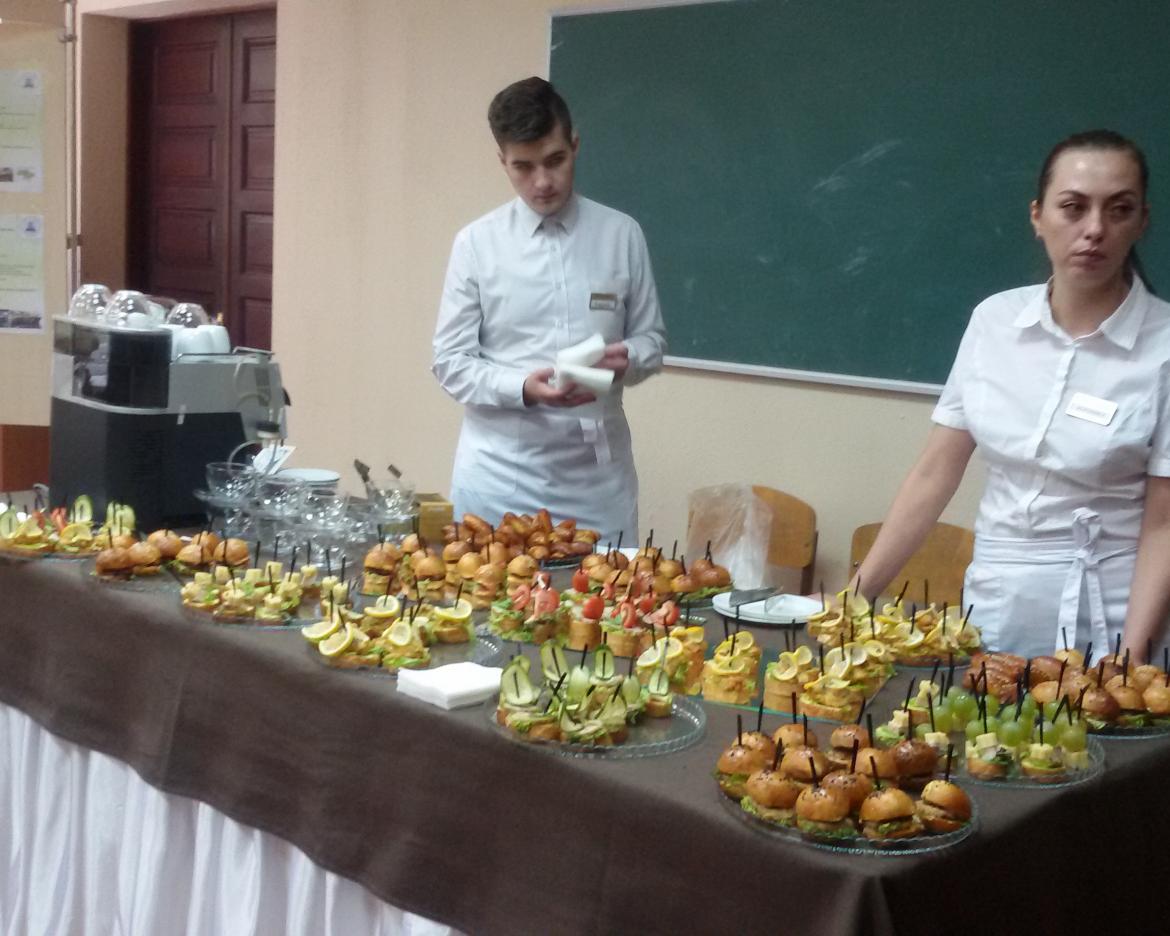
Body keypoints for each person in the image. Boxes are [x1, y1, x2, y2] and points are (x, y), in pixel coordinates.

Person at [849, 130, 1170, 661]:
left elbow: (1164, 524)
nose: (1094, 229)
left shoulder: (1164, 345)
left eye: (1119, 210)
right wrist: (855, 598)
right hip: (995, 604)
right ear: (1038, 217)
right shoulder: (994, 321)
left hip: (1112, 619)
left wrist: (1128, 662)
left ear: (1142, 222)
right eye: (1073, 207)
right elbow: (934, 473)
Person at [432, 77, 666, 545]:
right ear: (502, 161)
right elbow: (450, 363)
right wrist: (523, 387)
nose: (542, 182)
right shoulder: (476, 244)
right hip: (498, 483)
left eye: (555, 160)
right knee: (487, 593)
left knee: (607, 593)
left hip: (597, 486)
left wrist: (629, 359)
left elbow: (652, 341)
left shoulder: (621, 234)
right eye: (523, 166)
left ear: (575, 145)